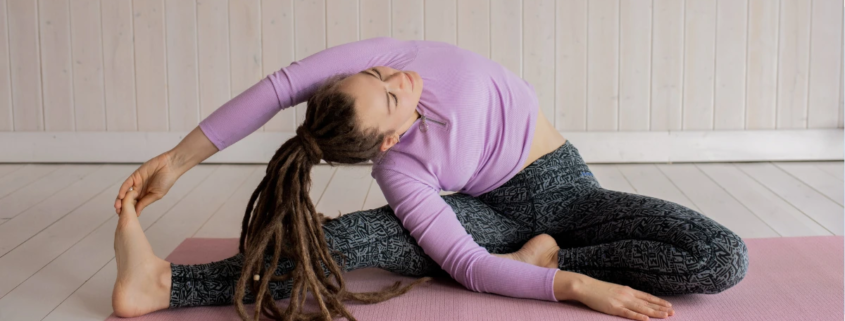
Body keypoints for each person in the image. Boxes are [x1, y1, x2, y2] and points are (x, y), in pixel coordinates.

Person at [111, 37, 747, 321]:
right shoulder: (401, 169)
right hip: (487, 218)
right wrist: (575, 287)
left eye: (382, 76)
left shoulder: (396, 56)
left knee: (722, 258)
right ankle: (167, 284)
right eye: (391, 97)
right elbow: (468, 265)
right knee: (357, 240)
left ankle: (535, 256)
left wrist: (175, 160)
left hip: (571, 195)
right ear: (388, 140)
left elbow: (279, 88)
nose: (399, 80)